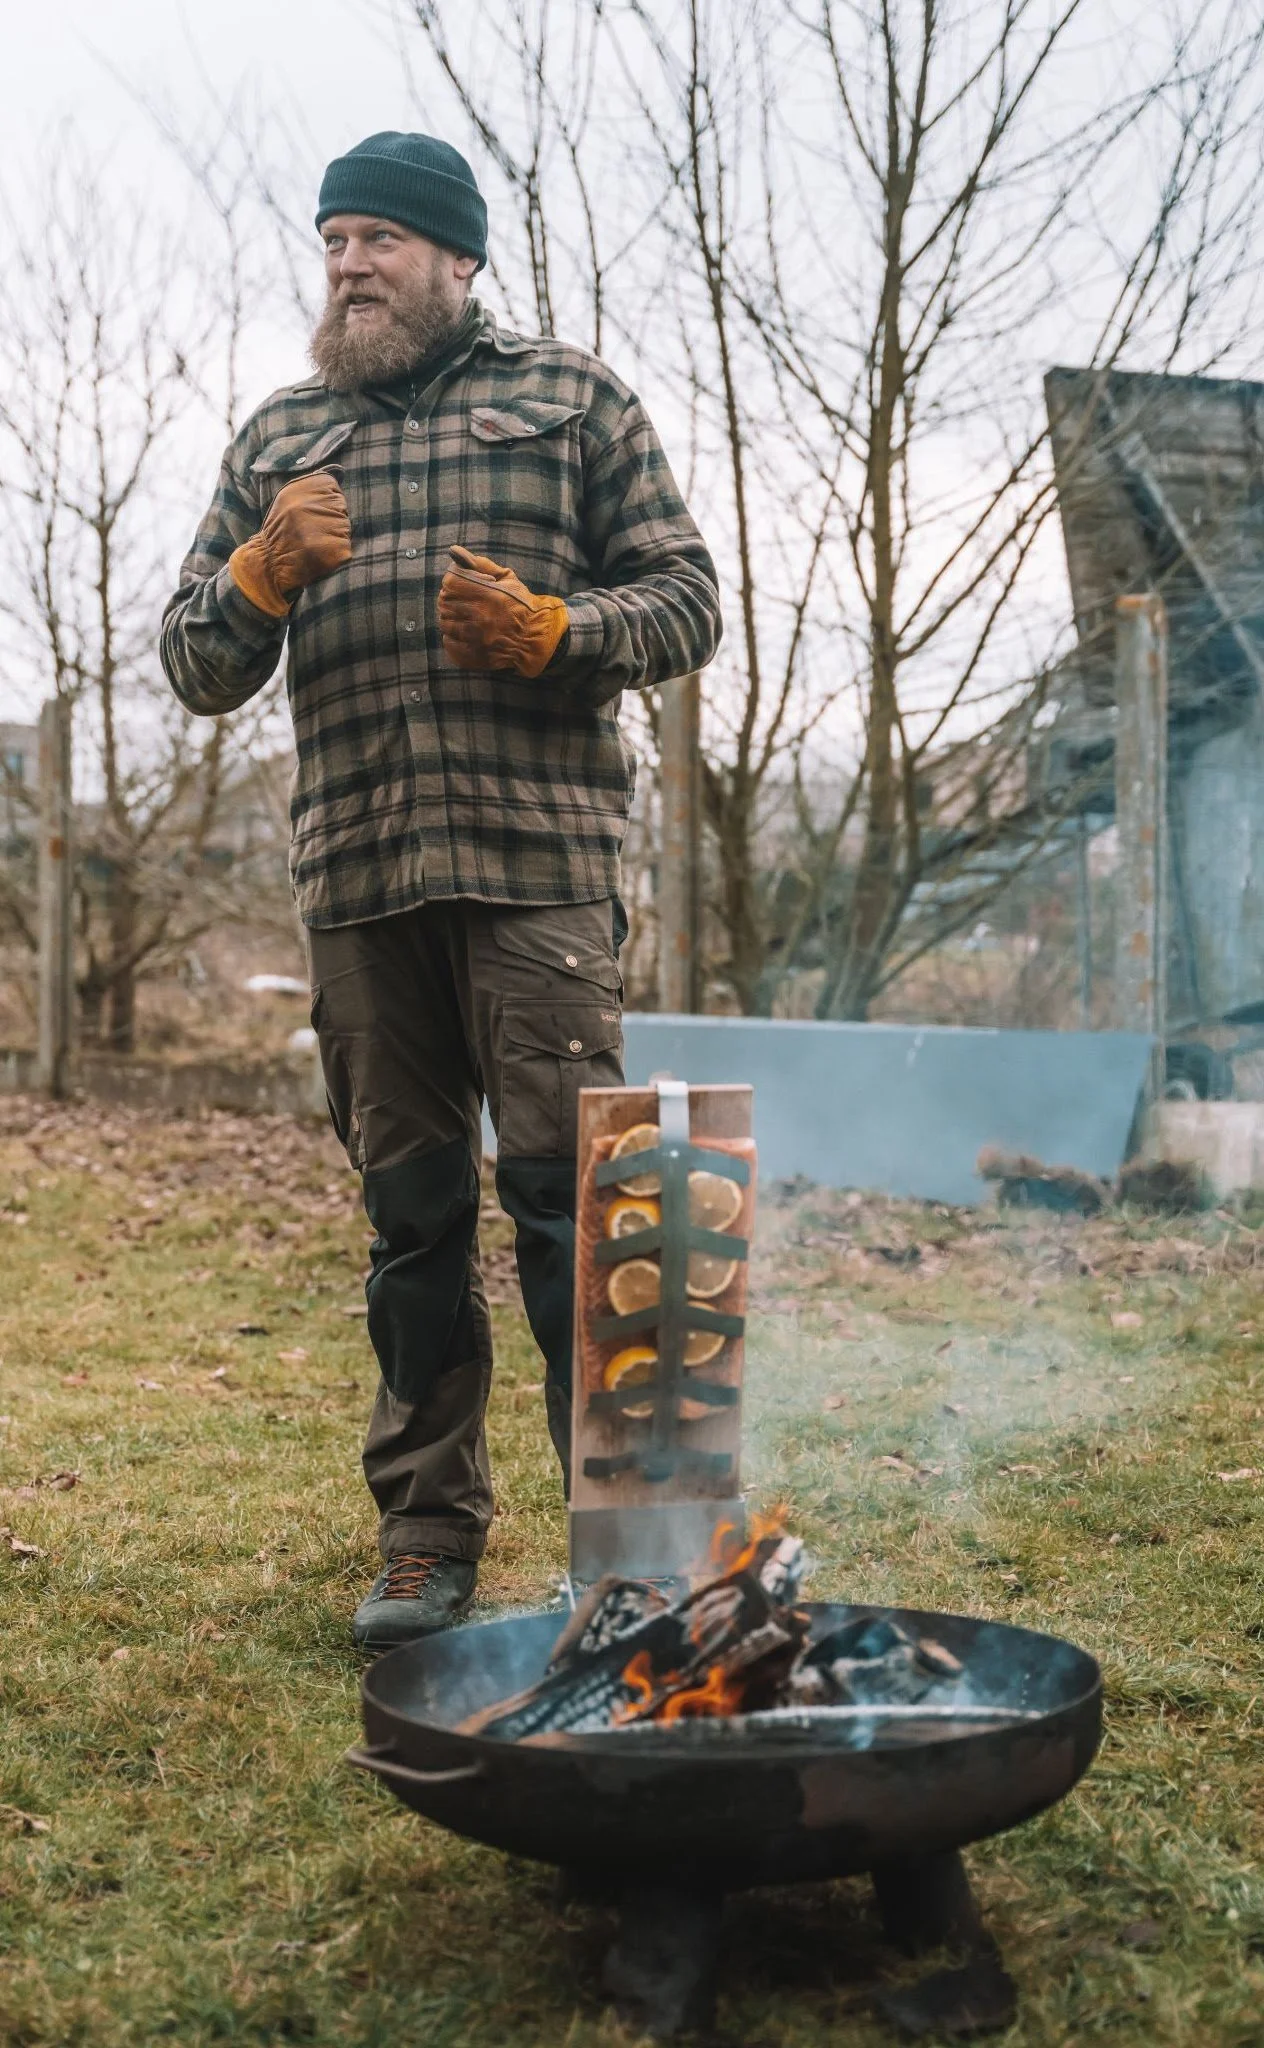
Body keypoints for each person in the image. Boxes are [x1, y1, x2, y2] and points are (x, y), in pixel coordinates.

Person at [161, 132, 722, 1647]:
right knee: (411, 1225)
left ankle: (643, 1557)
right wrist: (261, 575)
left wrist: (555, 632)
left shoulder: (573, 400)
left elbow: (688, 599)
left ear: (459, 260)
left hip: (536, 877)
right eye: (335, 238)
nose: (351, 264)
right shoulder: (282, 436)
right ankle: (426, 1539)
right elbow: (193, 665)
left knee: (581, 1209)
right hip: (358, 888)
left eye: (383, 241)